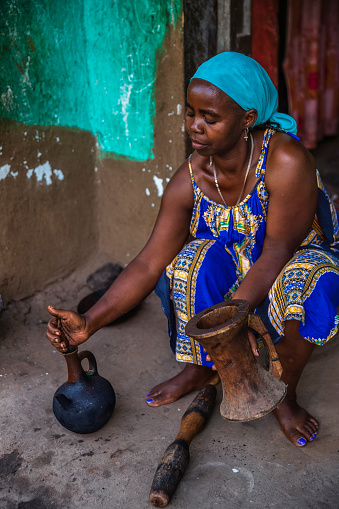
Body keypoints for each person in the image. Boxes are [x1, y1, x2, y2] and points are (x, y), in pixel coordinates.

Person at [47, 52, 339, 448]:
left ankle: (283, 392)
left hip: (285, 264)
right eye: (190, 114)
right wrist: (89, 321)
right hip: (240, 280)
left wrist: (231, 318)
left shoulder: (284, 161)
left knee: (312, 280)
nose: (195, 127)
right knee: (187, 262)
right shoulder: (190, 178)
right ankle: (202, 367)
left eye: (210, 117)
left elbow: (277, 250)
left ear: (247, 119)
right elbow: (150, 261)